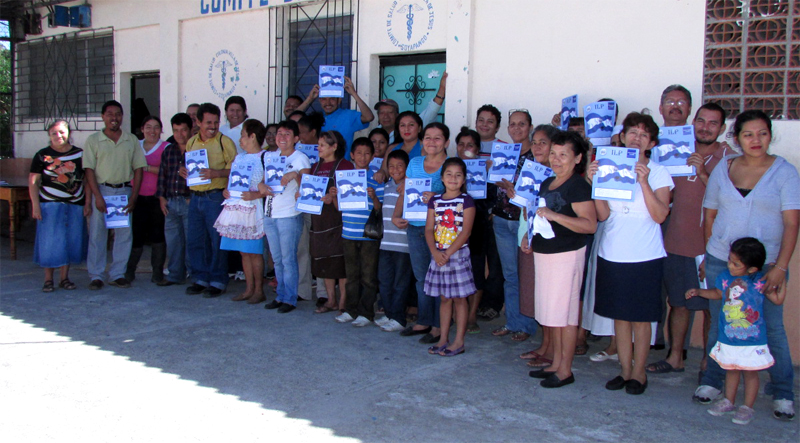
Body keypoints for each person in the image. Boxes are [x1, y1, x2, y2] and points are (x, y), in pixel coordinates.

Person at [694, 110, 800, 421]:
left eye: (762, 133)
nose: (756, 140)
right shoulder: (723, 170)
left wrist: (780, 267)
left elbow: (791, 223)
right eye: (748, 134)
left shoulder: (785, 172)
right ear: (737, 138)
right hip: (720, 262)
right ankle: (712, 382)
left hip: (766, 266)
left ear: (770, 135)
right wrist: (710, 256)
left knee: (771, 328)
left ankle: (782, 391)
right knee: (720, 323)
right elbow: (710, 215)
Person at [587, 112, 674, 395]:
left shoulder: (659, 173)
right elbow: (602, 215)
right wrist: (594, 185)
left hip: (645, 255)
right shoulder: (609, 167)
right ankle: (624, 371)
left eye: (644, 134)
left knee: (641, 318)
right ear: (622, 137)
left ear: (651, 142)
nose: (637, 138)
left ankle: (640, 373)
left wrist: (644, 182)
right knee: (620, 318)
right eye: (632, 132)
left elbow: (660, 215)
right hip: (612, 252)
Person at [646, 103, 731, 375]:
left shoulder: (729, 158)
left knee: (710, 307)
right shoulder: (673, 151)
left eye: (713, 123)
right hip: (674, 241)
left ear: (723, 129)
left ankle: (710, 363)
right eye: (701, 121)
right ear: (693, 122)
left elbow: (731, 200)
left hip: (710, 247)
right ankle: (675, 357)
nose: (705, 127)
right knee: (678, 302)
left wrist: (704, 175)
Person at [523, 131, 596, 388]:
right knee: (551, 312)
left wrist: (556, 216)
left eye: (563, 155)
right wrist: (528, 236)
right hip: (546, 254)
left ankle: (565, 370)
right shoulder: (548, 182)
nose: (556, 159)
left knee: (565, 316)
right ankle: (554, 362)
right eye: (553, 153)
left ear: (577, 158)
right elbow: (540, 216)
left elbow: (589, 224)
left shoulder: (578, 186)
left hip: (566, 255)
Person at [687, 238, 785, 425]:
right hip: (729, 338)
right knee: (731, 369)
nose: (730, 265)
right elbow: (717, 294)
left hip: (752, 340)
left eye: (736, 263)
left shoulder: (759, 282)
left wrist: (782, 276)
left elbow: (778, 299)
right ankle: (728, 401)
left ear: (752, 269)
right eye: (730, 260)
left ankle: (747, 407)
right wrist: (699, 292)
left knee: (750, 373)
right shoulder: (725, 278)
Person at [393, 122, 450, 345]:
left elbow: (457, 195)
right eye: (428, 137)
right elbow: (405, 192)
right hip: (415, 226)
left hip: (440, 230)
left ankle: (438, 325)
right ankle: (423, 320)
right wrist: (396, 215)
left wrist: (436, 195)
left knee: (439, 278)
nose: (432, 142)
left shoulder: (450, 165)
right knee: (421, 278)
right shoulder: (415, 163)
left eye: (437, 138)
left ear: (446, 142)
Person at [83, 100, 146, 290]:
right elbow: (89, 171)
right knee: (97, 234)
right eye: (110, 114)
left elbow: (138, 169)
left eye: (118, 114)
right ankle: (96, 275)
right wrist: (97, 197)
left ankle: (118, 274)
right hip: (101, 191)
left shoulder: (131, 140)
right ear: (103, 117)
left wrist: (133, 196)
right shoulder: (93, 140)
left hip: (123, 193)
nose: (114, 118)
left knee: (123, 235)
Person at [490, 110, 539, 343]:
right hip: (501, 219)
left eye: (522, 124)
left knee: (526, 275)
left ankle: (527, 324)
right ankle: (512, 322)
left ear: (530, 126)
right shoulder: (502, 153)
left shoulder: (536, 156)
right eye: (512, 124)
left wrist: (516, 191)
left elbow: (537, 192)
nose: (517, 128)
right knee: (510, 275)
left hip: (523, 222)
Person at [183, 103, 237, 297]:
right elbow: (192, 169)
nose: (212, 126)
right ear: (198, 122)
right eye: (208, 122)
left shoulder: (225, 142)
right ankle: (200, 278)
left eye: (215, 122)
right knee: (196, 240)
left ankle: (217, 280)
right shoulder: (191, 143)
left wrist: (217, 173)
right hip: (195, 197)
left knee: (216, 241)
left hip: (215, 197)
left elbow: (236, 171)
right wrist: (186, 173)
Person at [28, 120, 90, 292]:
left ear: (69, 133)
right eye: (54, 133)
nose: (58, 136)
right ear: (49, 135)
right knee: (50, 242)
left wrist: (87, 203)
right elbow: (33, 181)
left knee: (70, 241)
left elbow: (86, 179)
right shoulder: (42, 155)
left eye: (62, 132)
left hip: (74, 205)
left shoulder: (79, 154)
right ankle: (48, 279)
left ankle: (65, 278)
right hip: (49, 205)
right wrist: (35, 205)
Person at [518, 124, 561, 365]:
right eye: (534, 142)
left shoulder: (557, 176)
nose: (537, 147)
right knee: (537, 294)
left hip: (549, 241)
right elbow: (528, 210)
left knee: (550, 296)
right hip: (529, 235)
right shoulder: (531, 171)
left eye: (543, 142)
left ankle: (552, 348)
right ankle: (545, 344)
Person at [424, 157, 476, 357]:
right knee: (445, 298)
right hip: (438, 256)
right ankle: (443, 338)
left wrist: (447, 253)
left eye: (458, 175)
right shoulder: (434, 201)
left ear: (463, 179)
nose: (453, 178)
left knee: (460, 299)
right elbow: (429, 229)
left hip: (457, 255)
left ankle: (459, 341)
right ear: (442, 178)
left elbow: (465, 232)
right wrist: (436, 253)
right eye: (449, 174)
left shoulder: (466, 201)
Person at [259, 120, 312, 314]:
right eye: (279, 133)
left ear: (296, 138)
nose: (281, 137)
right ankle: (280, 295)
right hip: (270, 213)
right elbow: (261, 181)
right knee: (277, 259)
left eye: (287, 134)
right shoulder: (271, 156)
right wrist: (262, 187)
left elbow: (308, 188)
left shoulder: (300, 158)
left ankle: (290, 298)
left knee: (289, 259)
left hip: (289, 214)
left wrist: (294, 175)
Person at [213, 119, 268, 304]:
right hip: (237, 207)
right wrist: (226, 191)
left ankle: (259, 290)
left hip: (253, 209)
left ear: (253, 136)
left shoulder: (265, 157)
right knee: (244, 252)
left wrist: (256, 196)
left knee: (254, 251)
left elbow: (271, 187)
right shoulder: (239, 158)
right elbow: (234, 181)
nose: (241, 140)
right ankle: (249, 289)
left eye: (243, 136)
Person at [335, 137, 384, 326]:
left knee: (368, 276)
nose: (363, 157)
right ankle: (350, 310)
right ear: (352, 155)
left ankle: (366, 313)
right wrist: (333, 196)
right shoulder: (344, 177)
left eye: (367, 153)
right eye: (359, 153)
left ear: (372, 156)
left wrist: (374, 197)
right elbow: (339, 207)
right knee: (351, 275)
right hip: (348, 232)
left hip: (368, 235)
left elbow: (380, 209)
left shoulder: (377, 179)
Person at [309, 131, 353, 314]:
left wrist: (334, 198)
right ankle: (330, 300)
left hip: (338, 220)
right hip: (319, 220)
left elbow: (351, 195)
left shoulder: (345, 166)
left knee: (340, 262)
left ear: (334, 147)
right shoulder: (314, 167)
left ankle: (343, 301)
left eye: (322, 145)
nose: (318, 148)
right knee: (325, 260)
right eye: (318, 145)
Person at [455, 127, 492, 333]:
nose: (465, 148)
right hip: (452, 225)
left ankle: (471, 316)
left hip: (477, 224)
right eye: (461, 144)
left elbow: (492, 197)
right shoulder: (450, 168)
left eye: (470, 145)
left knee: (476, 269)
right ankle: (454, 314)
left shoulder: (485, 168)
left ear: (477, 149)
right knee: (454, 267)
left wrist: (488, 172)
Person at [125, 116, 169, 284]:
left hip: (158, 197)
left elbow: (169, 172)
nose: (152, 131)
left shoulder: (167, 147)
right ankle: (130, 270)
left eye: (156, 127)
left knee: (158, 235)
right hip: (136, 196)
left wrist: (147, 168)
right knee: (136, 235)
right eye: (148, 127)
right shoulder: (134, 146)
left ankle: (157, 272)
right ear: (142, 129)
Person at [156, 113, 194, 286]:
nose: (180, 134)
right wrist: (161, 198)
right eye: (176, 130)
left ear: (190, 129)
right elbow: (162, 176)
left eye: (183, 130)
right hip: (170, 202)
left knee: (191, 240)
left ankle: (194, 276)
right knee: (173, 242)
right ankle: (175, 275)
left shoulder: (197, 150)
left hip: (189, 201)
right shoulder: (169, 150)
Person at [376, 149, 412, 332]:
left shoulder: (411, 187)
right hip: (386, 243)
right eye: (391, 166)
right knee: (385, 281)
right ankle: (389, 314)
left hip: (403, 245)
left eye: (400, 166)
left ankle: (399, 318)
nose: (395, 169)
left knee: (400, 283)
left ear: (407, 167)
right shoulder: (387, 185)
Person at [296, 75, 374, 159]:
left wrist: (353, 94)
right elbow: (292, 120)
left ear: (339, 100)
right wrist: (310, 98)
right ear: (320, 100)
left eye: (332, 99)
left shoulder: (348, 116)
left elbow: (368, 117)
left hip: (341, 168)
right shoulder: (316, 118)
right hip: (318, 168)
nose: (328, 103)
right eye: (324, 99)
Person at [375, 72, 446, 142]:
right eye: (382, 113)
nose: (385, 116)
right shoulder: (374, 133)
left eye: (390, 112)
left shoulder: (408, 128)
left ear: (397, 115)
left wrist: (442, 88)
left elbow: (432, 109)